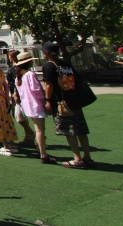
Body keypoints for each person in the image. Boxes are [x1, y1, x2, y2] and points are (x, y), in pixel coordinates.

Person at [41, 41, 93, 169]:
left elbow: (49, 84)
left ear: (47, 53)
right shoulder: (66, 64)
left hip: (62, 103)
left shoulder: (49, 65)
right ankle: (87, 157)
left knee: (69, 131)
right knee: (81, 130)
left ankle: (77, 158)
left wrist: (47, 100)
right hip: (74, 100)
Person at [14, 51, 56, 164]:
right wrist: (46, 102)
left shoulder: (19, 77)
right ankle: (43, 154)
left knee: (38, 129)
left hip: (27, 106)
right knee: (40, 130)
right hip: (35, 104)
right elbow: (37, 90)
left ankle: (41, 150)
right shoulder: (30, 75)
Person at [6, 50, 36, 147]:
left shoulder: (16, 69)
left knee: (19, 116)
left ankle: (31, 133)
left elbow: (16, 82)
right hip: (18, 94)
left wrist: (14, 94)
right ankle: (29, 135)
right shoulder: (16, 69)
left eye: (9, 56)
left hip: (18, 95)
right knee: (20, 116)